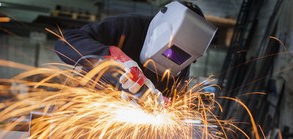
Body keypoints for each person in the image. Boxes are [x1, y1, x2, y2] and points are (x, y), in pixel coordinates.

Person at [54, 0, 217, 106]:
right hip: (86, 109)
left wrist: (166, 105)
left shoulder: (182, 64)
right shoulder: (127, 26)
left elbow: (173, 101)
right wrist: (113, 55)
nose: (170, 58)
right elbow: (65, 41)